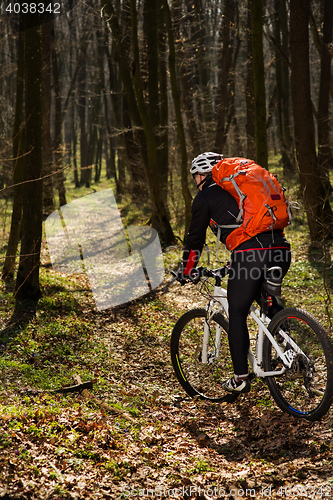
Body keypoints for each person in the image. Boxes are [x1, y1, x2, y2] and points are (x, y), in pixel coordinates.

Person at [178, 152, 291, 393]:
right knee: (267, 300)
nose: (195, 181)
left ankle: (240, 378)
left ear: (200, 175)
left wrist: (186, 269)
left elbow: (195, 238)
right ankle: (287, 344)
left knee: (237, 311)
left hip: (252, 253)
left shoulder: (205, 196)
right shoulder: (240, 188)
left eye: (195, 176)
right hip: (280, 247)